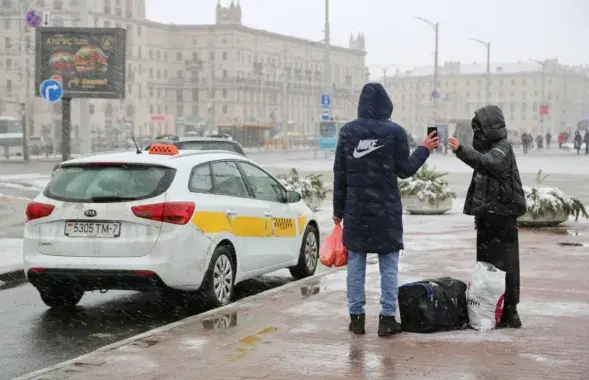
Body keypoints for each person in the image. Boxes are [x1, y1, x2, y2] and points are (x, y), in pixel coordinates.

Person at [332, 82, 439, 337]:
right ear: (386, 104)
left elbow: (340, 174)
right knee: (388, 267)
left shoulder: (348, 132)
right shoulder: (395, 132)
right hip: (386, 212)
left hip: (356, 211)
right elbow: (405, 170)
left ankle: (357, 319)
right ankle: (387, 320)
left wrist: (338, 211)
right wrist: (424, 149)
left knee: (355, 266)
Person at [447, 105, 526, 328]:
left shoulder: (503, 148)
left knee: (505, 266)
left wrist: (461, 150)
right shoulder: (489, 150)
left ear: (491, 127)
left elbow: (490, 164)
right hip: (487, 217)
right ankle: (489, 309)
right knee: (486, 266)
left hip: (503, 217)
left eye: (481, 129)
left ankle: (510, 311)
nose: (478, 134)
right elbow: (482, 185)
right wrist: (477, 214)